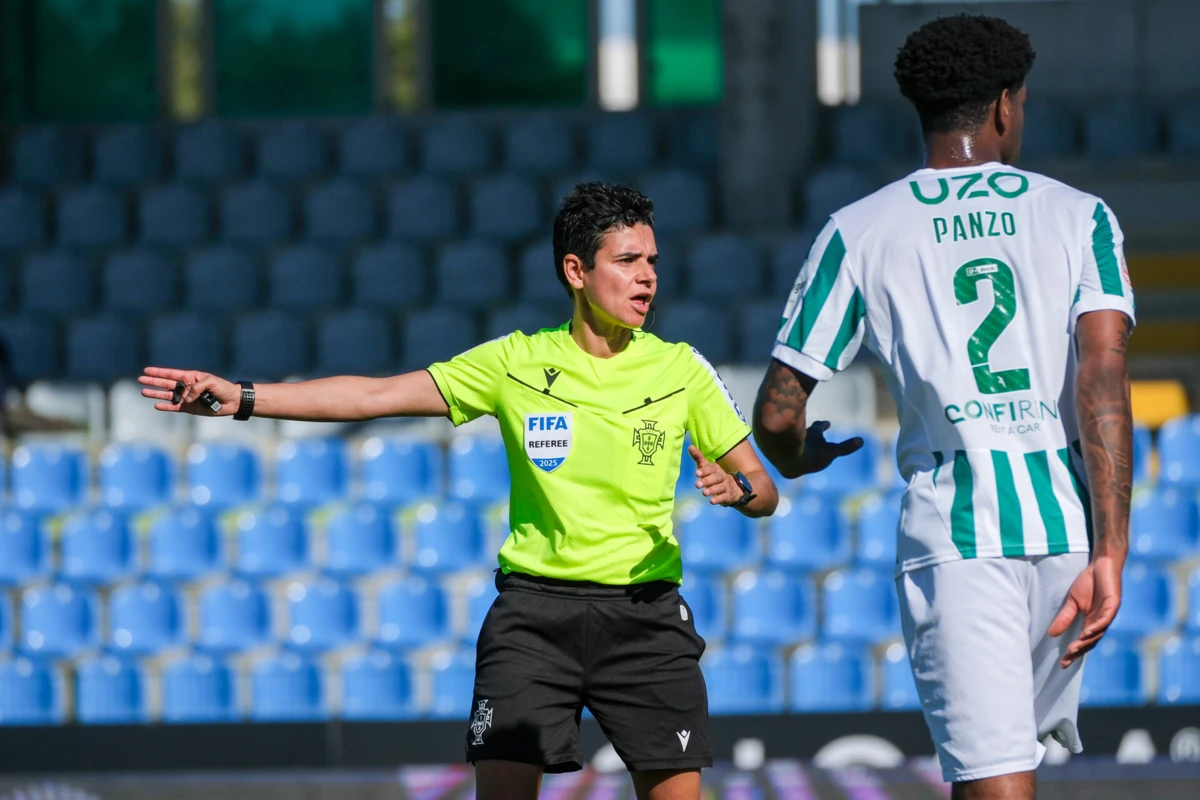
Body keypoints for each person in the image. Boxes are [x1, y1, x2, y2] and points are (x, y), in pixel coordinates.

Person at [140, 182, 779, 800]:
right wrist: (245, 398)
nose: (647, 277)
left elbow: (764, 490)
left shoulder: (682, 368)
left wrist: (737, 486)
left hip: (645, 622)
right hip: (534, 619)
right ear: (576, 271)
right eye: (628, 261)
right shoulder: (514, 362)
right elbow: (374, 396)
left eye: (653, 263)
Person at [752, 15, 1133, 800]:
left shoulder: (858, 231)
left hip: (959, 539)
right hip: (1065, 536)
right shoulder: (1080, 215)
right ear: (1003, 106)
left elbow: (778, 413)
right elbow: (1103, 378)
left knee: (992, 780)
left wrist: (797, 457)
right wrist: (1112, 550)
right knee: (989, 774)